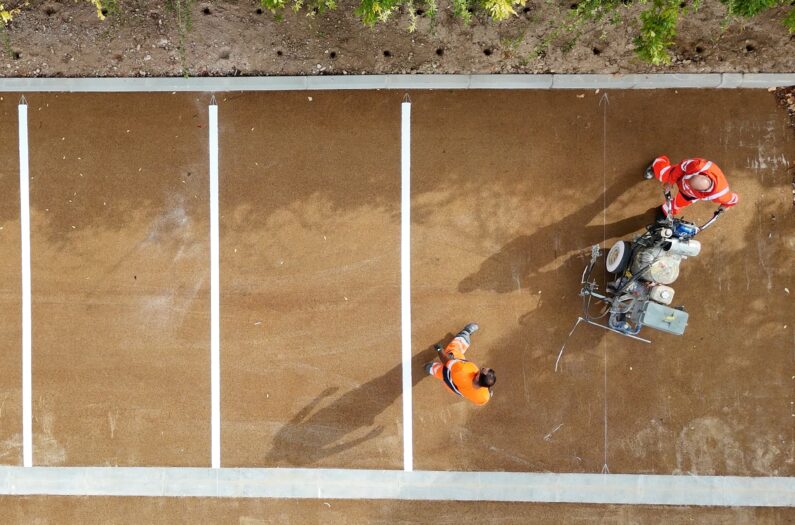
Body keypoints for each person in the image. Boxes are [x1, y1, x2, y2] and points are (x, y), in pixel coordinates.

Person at [644, 156, 739, 218]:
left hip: (689, 195)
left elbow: (733, 200)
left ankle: (665, 210)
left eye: (690, 185)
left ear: (703, 191)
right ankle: (659, 162)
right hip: (681, 175)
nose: (687, 184)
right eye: (690, 182)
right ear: (702, 175)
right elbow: (681, 167)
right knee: (662, 175)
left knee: (677, 205)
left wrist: (725, 206)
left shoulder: (721, 194)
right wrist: (670, 181)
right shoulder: (697, 165)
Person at [424, 323, 495, 406]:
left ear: (478, 377)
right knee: (433, 369)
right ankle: (429, 368)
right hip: (452, 386)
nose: (482, 367)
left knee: (453, 349)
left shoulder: (463, 370)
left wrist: (439, 349)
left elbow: (446, 360)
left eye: (483, 369)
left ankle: (465, 333)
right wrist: (488, 391)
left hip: (452, 371)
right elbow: (484, 394)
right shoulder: (484, 397)